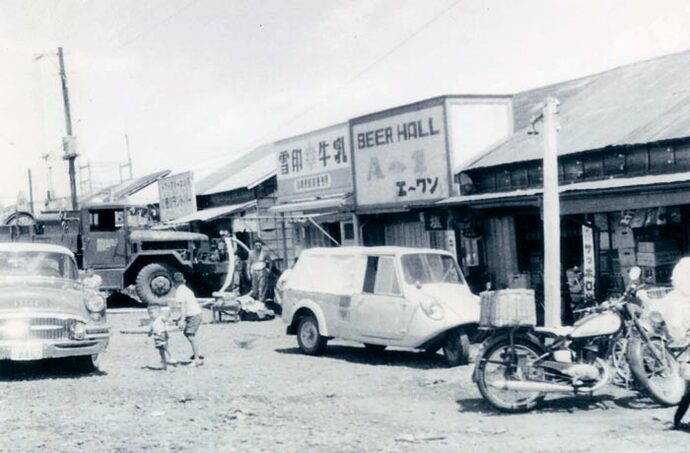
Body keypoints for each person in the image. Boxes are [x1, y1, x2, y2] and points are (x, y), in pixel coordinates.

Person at [173, 272, 204, 366]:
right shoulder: (186, 289)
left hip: (193, 315)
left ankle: (197, 359)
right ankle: (197, 353)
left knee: (190, 335)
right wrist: (180, 318)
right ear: (184, 281)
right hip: (196, 313)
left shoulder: (179, 291)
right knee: (188, 333)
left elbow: (183, 306)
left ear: (174, 283)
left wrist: (182, 319)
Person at [147, 304, 175, 370]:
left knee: (164, 346)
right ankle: (164, 364)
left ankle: (171, 357)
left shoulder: (160, 317)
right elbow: (152, 328)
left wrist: (169, 321)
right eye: (149, 313)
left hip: (162, 334)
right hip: (156, 336)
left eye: (152, 313)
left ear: (158, 312)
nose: (150, 315)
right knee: (161, 350)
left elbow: (165, 319)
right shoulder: (152, 321)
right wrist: (150, 333)